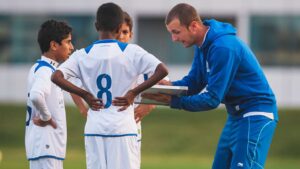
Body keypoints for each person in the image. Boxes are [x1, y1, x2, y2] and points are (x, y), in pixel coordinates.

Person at [143, 3, 278, 169]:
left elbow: (212, 99)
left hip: (256, 113)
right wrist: (169, 86)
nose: (174, 39)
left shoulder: (223, 47)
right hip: (236, 115)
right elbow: (194, 82)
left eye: (176, 32)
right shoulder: (203, 45)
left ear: (193, 26)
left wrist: (173, 101)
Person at [51, 3, 168, 169]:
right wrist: (133, 92)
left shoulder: (81, 55)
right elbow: (162, 70)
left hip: (94, 129)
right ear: (120, 28)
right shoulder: (132, 52)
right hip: (123, 129)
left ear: (96, 26)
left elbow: (56, 76)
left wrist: (85, 94)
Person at [25, 19, 74, 169]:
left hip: (45, 148)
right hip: (46, 147)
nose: (72, 47)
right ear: (54, 45)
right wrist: (46, 117)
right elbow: (36, 95)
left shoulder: (40, 68)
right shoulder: (45, 71)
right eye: (68, 42)